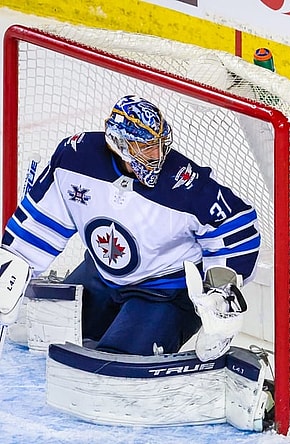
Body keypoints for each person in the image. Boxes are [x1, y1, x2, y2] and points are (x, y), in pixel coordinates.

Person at [0, 95, 261, 358]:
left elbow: (235, 226)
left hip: (165, 291)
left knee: (116, 362)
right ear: (119, 144)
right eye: (145, 147)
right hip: (100, 277)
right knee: (47, 341)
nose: (157, 155)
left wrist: (219, 293)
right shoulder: (76, 159)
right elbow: (41, 224)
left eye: (159, 144)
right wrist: (13, 271)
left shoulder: (184, 184)